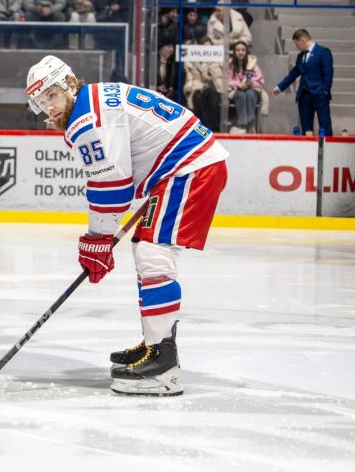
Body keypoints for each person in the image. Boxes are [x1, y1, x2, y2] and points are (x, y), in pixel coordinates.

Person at [24, 56, 228, 396]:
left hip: (189, 168)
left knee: (152, 252)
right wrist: (100, 236)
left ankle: (163, 364)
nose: (49, 109)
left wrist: (97, 239)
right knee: (147, 249)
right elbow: (123, 177)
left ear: (71, 84)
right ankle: (154, 344)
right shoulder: (95, 101)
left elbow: (112, 186)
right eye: (41, 103)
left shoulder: (87, 118)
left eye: (52, 96)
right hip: (184, 166)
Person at [272, 28, 334, 136]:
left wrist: (324, 91)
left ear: (302, 41)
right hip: (304, 96)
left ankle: (327, 150)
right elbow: (293, 74)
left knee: (325, 126)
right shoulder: (300, 56)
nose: (297, 47)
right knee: (306, 128)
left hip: (320, 95)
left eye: (297, 44)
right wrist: (279, 87)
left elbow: (328, 73)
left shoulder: (323, 52)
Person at [225, 41, 265, 133]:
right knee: (241, 95)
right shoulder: (230, 64)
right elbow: (227, 80)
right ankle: (243, 125)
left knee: (249, 94)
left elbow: (261, 81)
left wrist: (249, 83)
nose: (240, 52)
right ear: (234, 52)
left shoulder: (253, 64)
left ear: (246, 51)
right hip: (237, 90)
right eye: (238, 50)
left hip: (252, 90)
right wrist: (238, 84)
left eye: (243, 50)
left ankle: (251, 124)